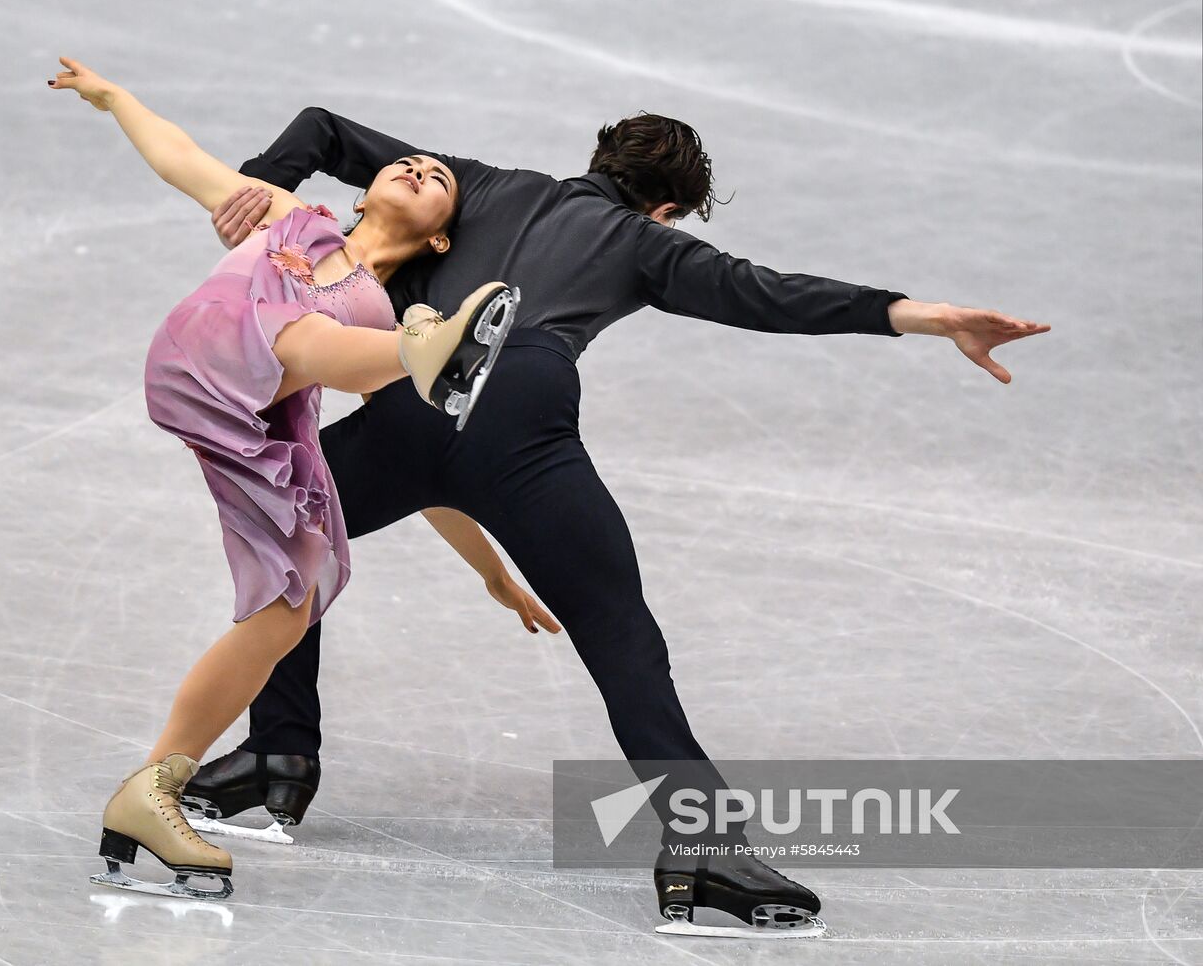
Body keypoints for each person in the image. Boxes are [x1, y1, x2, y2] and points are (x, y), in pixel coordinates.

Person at [184, 107, 1050, 934]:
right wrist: (926, 316)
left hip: (410, 401)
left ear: (602, 161)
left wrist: (255, 195)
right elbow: (768, 293)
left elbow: (324, 129)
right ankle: (706, 851)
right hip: (521, 413)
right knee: (619, 637)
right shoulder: (643, 243)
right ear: (666, 209)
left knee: (285, 546)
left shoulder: (482, 184)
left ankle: (278, 756)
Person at [47, 59, 549, 901]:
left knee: (289, 603)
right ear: (360, 193)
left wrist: (494, 571)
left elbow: (425, 473)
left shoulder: (382, 313)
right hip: (200, 357)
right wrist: (115, 98)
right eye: (408, 162)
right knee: (357, 342)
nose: (419, 168)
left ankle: (152, 790)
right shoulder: (292, 218)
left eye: (437, 182)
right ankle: (422, 360)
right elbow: (183, 160)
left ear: (440, 241)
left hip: (253, 419)